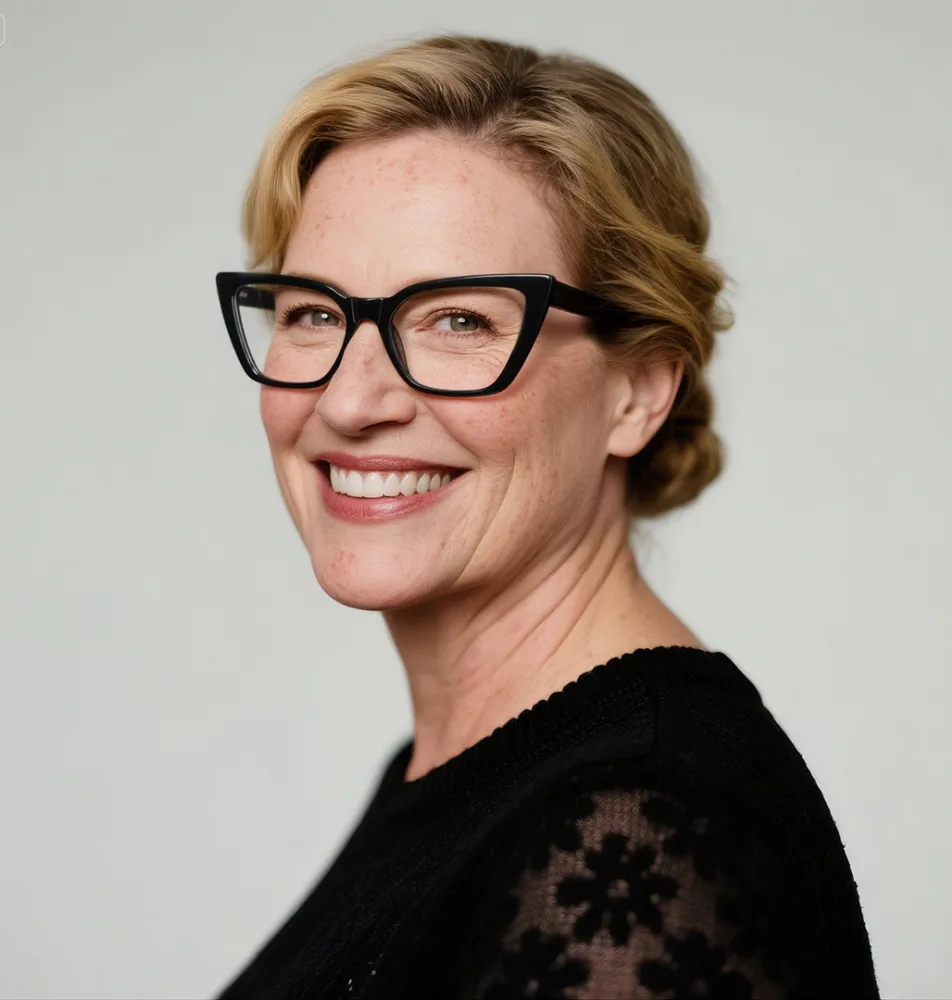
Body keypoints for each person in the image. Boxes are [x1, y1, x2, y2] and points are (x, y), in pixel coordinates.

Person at [213, 33, 879, 999]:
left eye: (459, 320)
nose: (351, 401)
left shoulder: (636, 831)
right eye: (313, 312)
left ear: (637, 392)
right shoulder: (477, 776)